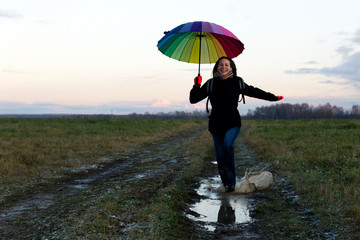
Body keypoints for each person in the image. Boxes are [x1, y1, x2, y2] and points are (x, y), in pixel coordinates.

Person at [189, 56, 283, 192]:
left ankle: (232, 184)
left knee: (228, 145)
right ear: (216, 68)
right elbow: (193, 99)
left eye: (227, 65)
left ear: (231, 67)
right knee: (220, 156)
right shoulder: (210, 83)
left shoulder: (237, 82)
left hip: (232, 122)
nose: (224, 67)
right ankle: (226, 184)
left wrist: (272, 97)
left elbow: (254, 91)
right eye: (221, 65)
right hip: (215, 125)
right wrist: (196, 85)